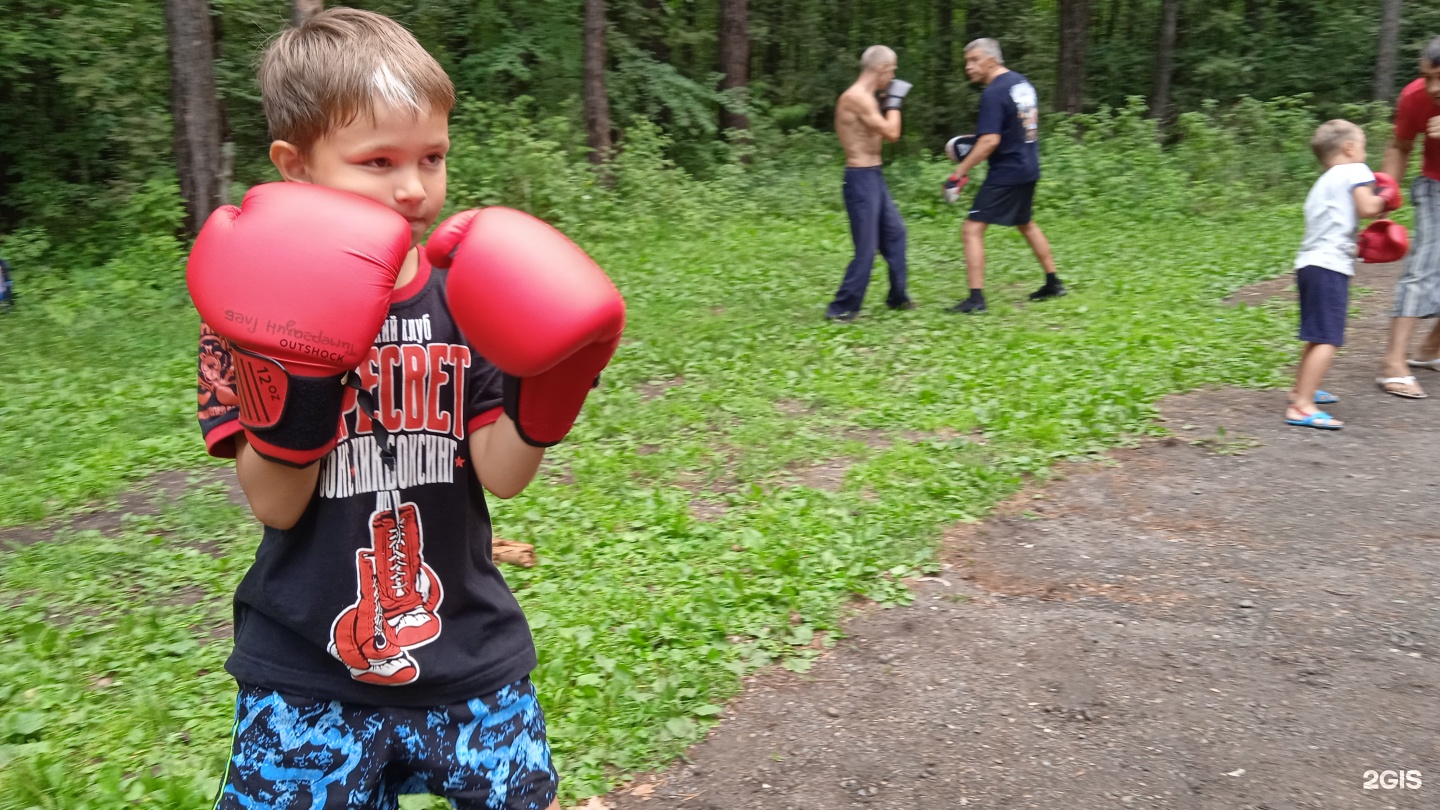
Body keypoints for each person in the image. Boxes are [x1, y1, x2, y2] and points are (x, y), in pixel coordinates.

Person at [190, 9, 622, 808]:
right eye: (378, 160)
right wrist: (304, 363)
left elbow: (502, 472)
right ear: (297, 164)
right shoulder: (252, 310)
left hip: (469, 653)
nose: (415, 186)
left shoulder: (469, 292)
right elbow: (276, 504)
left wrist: (550, 389)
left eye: (433, 156)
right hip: (307, 670)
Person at [1286, 120, 1397, 430]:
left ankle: (1300, 390)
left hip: (1309, 263)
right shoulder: (1356, 170)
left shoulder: (1323, 182)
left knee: (1316, 335)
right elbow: (1367, 207)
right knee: (1328, 339)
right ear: (1349, 148)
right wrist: (1386, 197)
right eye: (1362, 146)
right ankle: (1302, 406)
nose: (1364, 153)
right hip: (1330, 265)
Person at [945, 38, 1063, 314]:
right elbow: (1011, 129)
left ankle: (976, 300)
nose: (968, 67)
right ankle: (1053, 283)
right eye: (966, 62)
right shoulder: (1021, 83)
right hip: (1028, 165)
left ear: (992, 60)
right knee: (1026, 223)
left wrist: (959, 172)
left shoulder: (993, 92)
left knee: (972, 229)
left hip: (1008, 170)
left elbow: (990, 141)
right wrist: (969, 143)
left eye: (974, 60)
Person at [825, 45, 914, 322]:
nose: (895, 74)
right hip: (860, 178)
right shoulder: (856, 98)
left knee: (896, 234)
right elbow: (891, 133)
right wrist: (895, 102)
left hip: (874, 175)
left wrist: (887, 101)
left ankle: (897, 297)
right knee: (866, 248)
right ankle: (840, 309)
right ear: (881, 69)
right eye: (893, 69)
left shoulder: (868, 98)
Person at [1375, 35, 1440, 399]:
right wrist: (1385, 194)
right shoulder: (1415, 97)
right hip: (1436, 187)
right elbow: (1400, 145)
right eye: (1427, 76)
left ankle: (1431, 350)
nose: (1431, 87)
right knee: (1426, 264)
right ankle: (1392, 363)